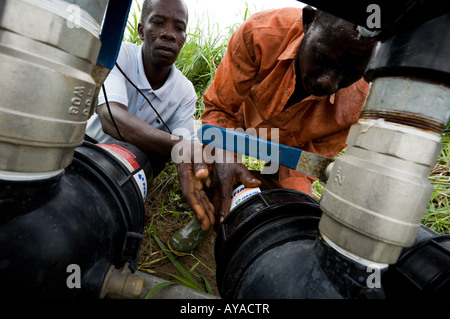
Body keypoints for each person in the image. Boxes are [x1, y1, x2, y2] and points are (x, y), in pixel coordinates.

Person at [200, 6, 377, 229]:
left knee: (290, 210)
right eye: (323, 58)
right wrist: (224, 155)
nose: (327, 83)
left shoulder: (356, 107)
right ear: (309, 22)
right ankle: (207, 214)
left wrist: (294, 204)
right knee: (211, 169)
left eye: (349, 74)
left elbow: (303, 164)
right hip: (238, 122)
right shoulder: (260, 34)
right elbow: (219, 109)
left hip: (288, 150)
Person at [85, 0, 214, 231]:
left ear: (184, 37)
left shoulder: (184, 91)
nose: (169, 34)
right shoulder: (119, 54)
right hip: (88, 149)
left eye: (179, 28)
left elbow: (185, 144)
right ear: (141, 29)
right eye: (158, 22)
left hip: (132, 168)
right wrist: (184, 147)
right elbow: (111, 118)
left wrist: (189, 174)